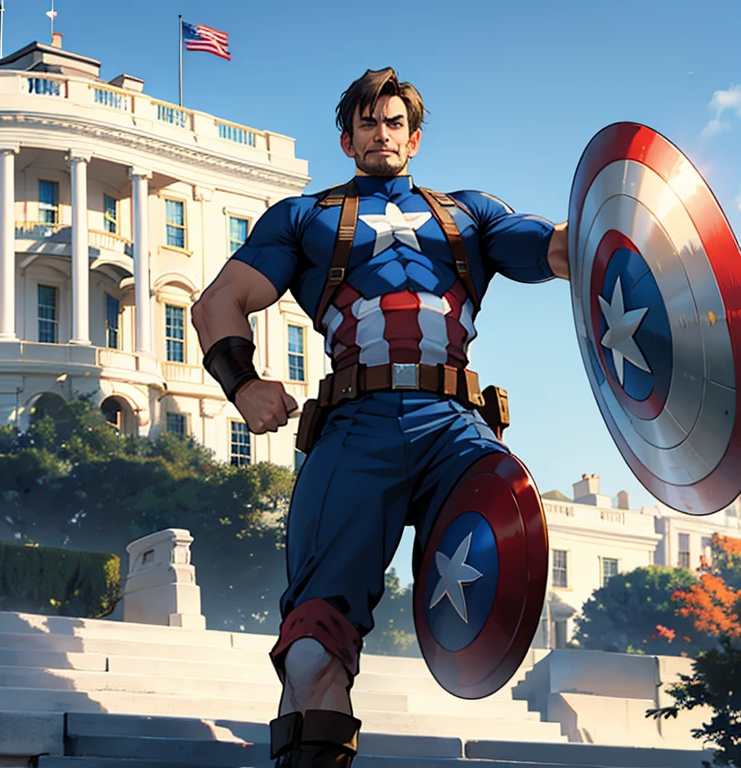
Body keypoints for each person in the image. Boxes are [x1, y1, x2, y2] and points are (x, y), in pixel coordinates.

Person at [191, 67, 569, 768]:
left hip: (454, 428)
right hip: (355, 430)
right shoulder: (304, 219)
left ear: (415, 138)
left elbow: (557, 250)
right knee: (311, 653)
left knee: (509, 509)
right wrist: (242, 386)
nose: (381, 133)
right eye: (368, 123)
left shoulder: (468, 215)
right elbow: (216, 305)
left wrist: (630, 236)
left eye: (394, 123)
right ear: (347, 138)